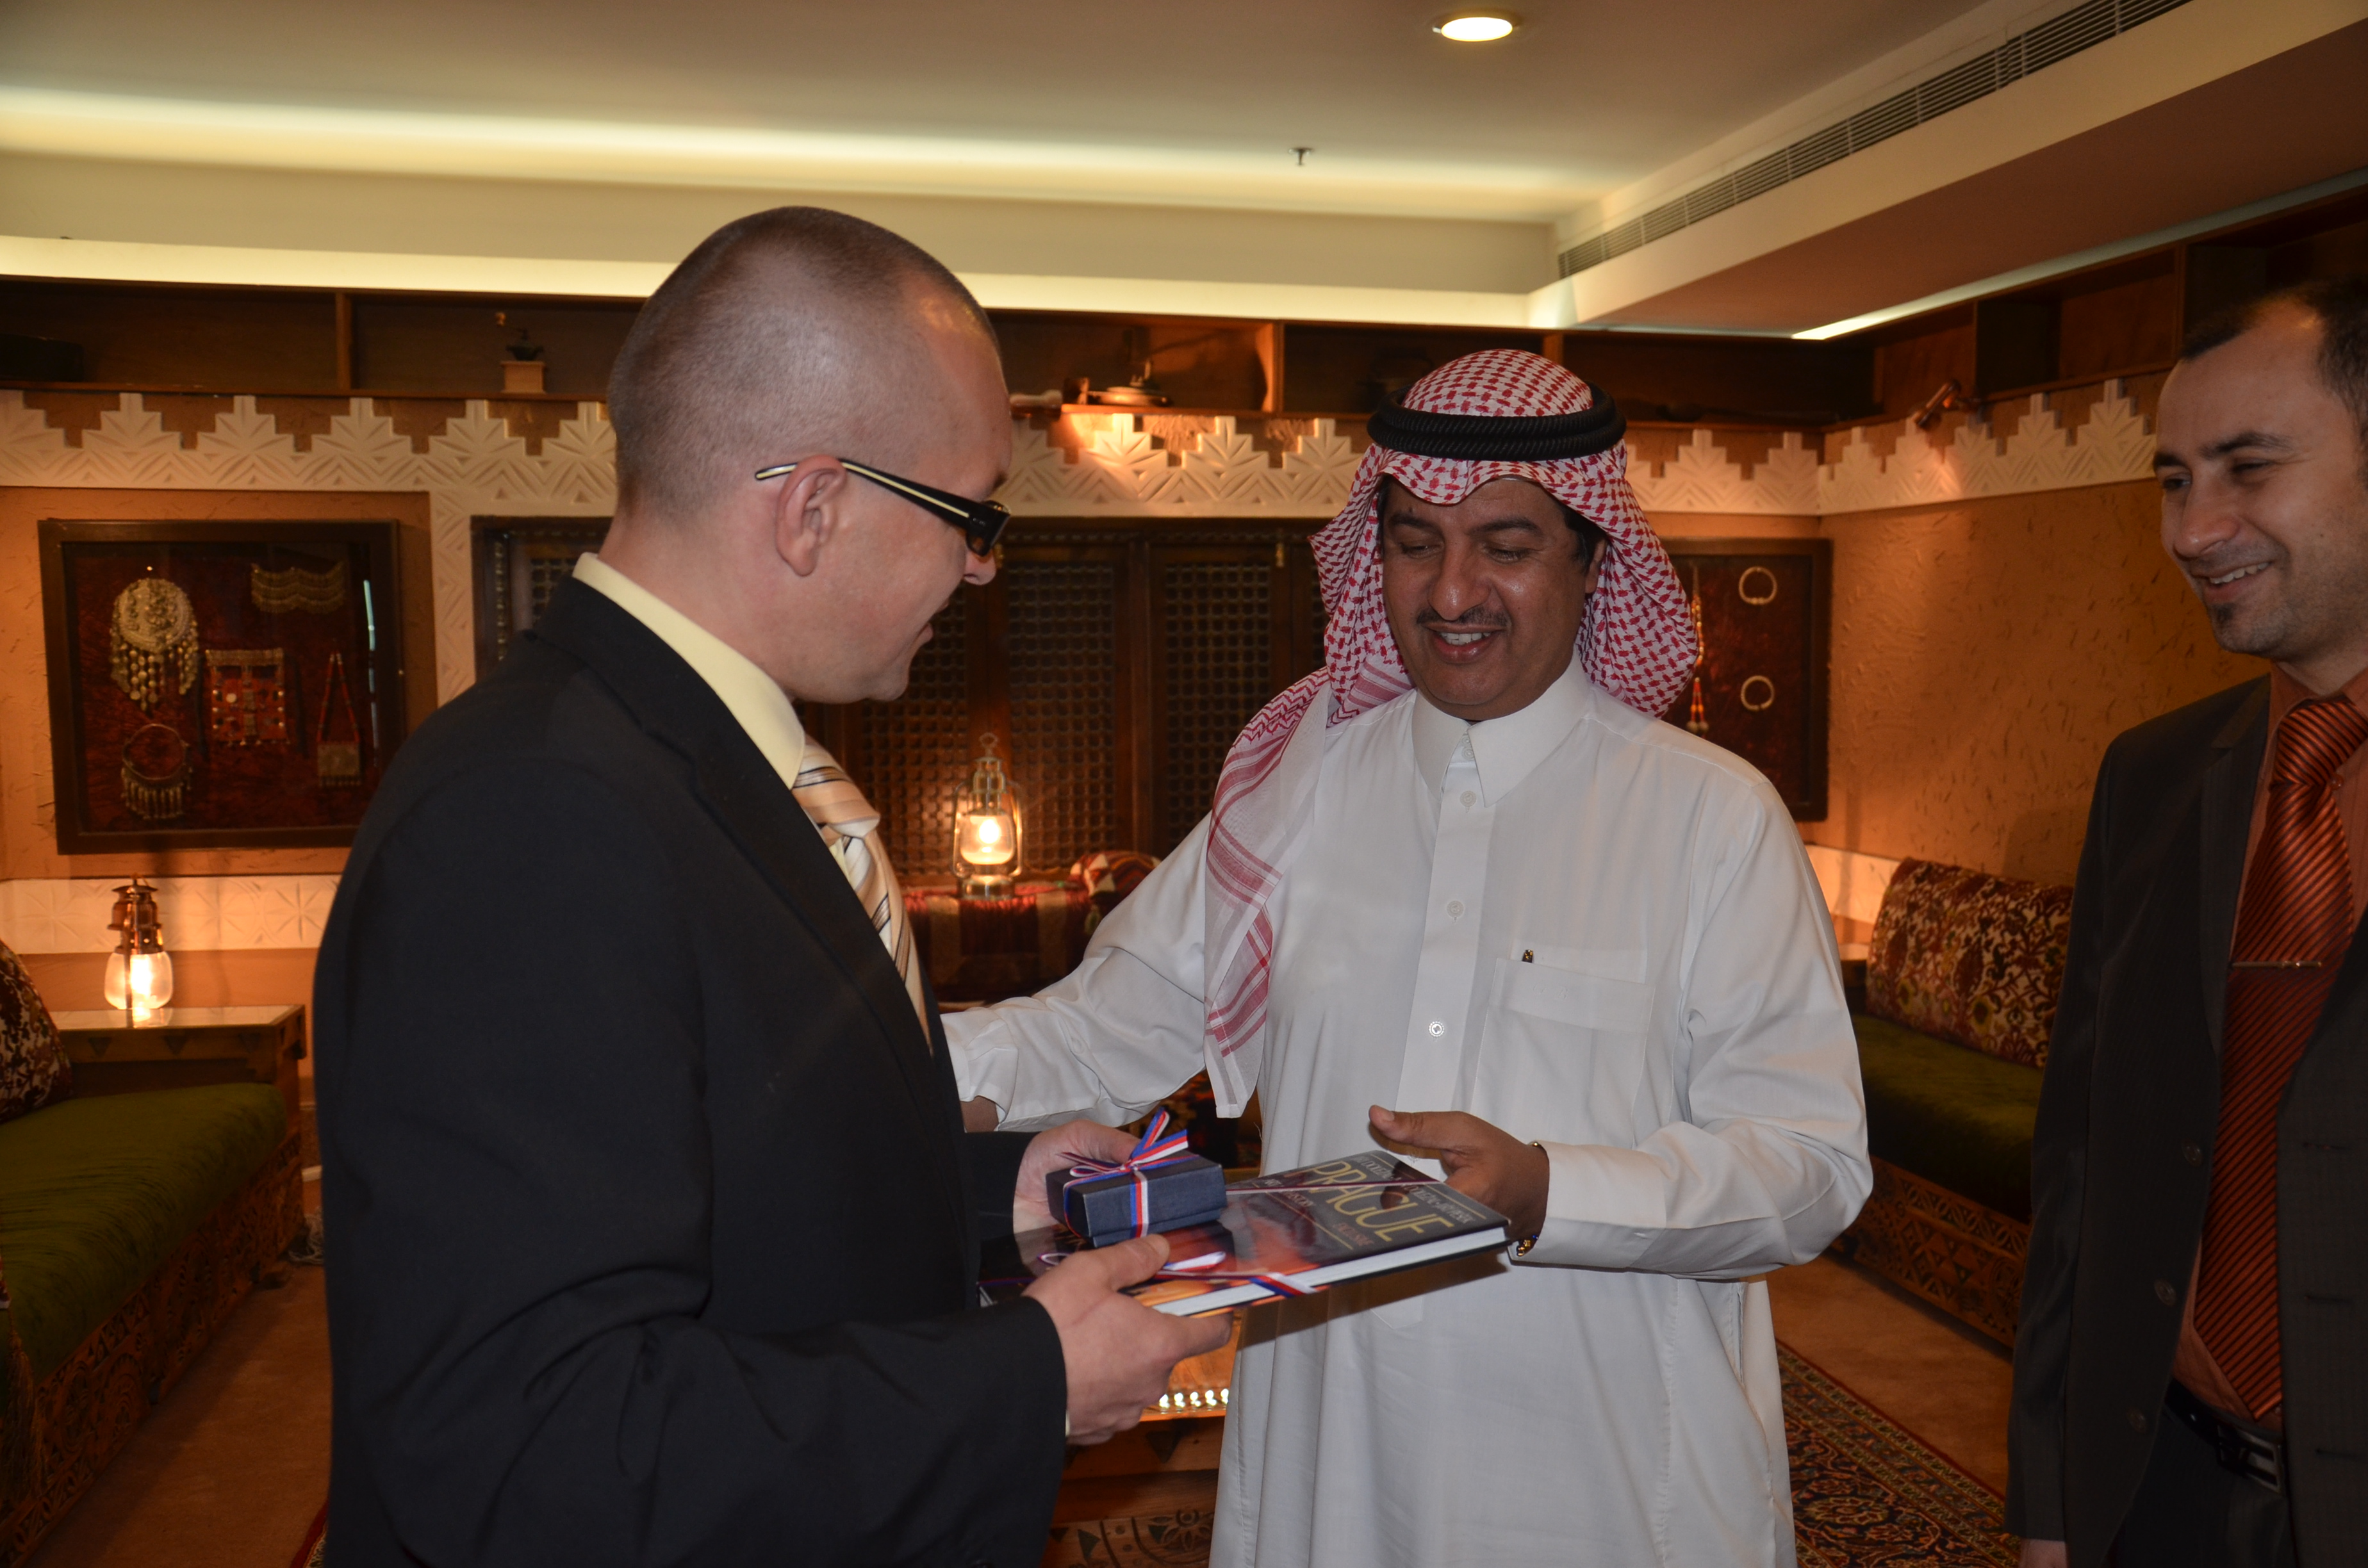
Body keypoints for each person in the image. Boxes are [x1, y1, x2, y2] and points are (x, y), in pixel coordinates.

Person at [313, 207, 1229, 1567]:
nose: (983, 564)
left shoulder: (703, 760)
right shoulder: (533, 814)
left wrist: (995, 1189)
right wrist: (1021, 1381)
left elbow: (728, 1163)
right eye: (972, 514)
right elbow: (529, 1446)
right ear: (813, 508)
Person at [948, 349, 1870, 1567]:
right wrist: (859, 1065)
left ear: (1594, 560)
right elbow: (1096, 1029)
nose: (1452, 591)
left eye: (1507, 546)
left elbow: (1809, 1168)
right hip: (1334, 1465)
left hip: (1608, 1482)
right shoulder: (1295, 789)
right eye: (1415, 542)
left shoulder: (1712, 819)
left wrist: (1552, 1190)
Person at [2009, 275, 2368, 1568]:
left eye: (2248, 469)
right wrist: (2052, 1503)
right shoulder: (2154, 777)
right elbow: (2083, 1161)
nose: (2194, 529)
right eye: (2173, 480)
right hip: (2159, 1490)